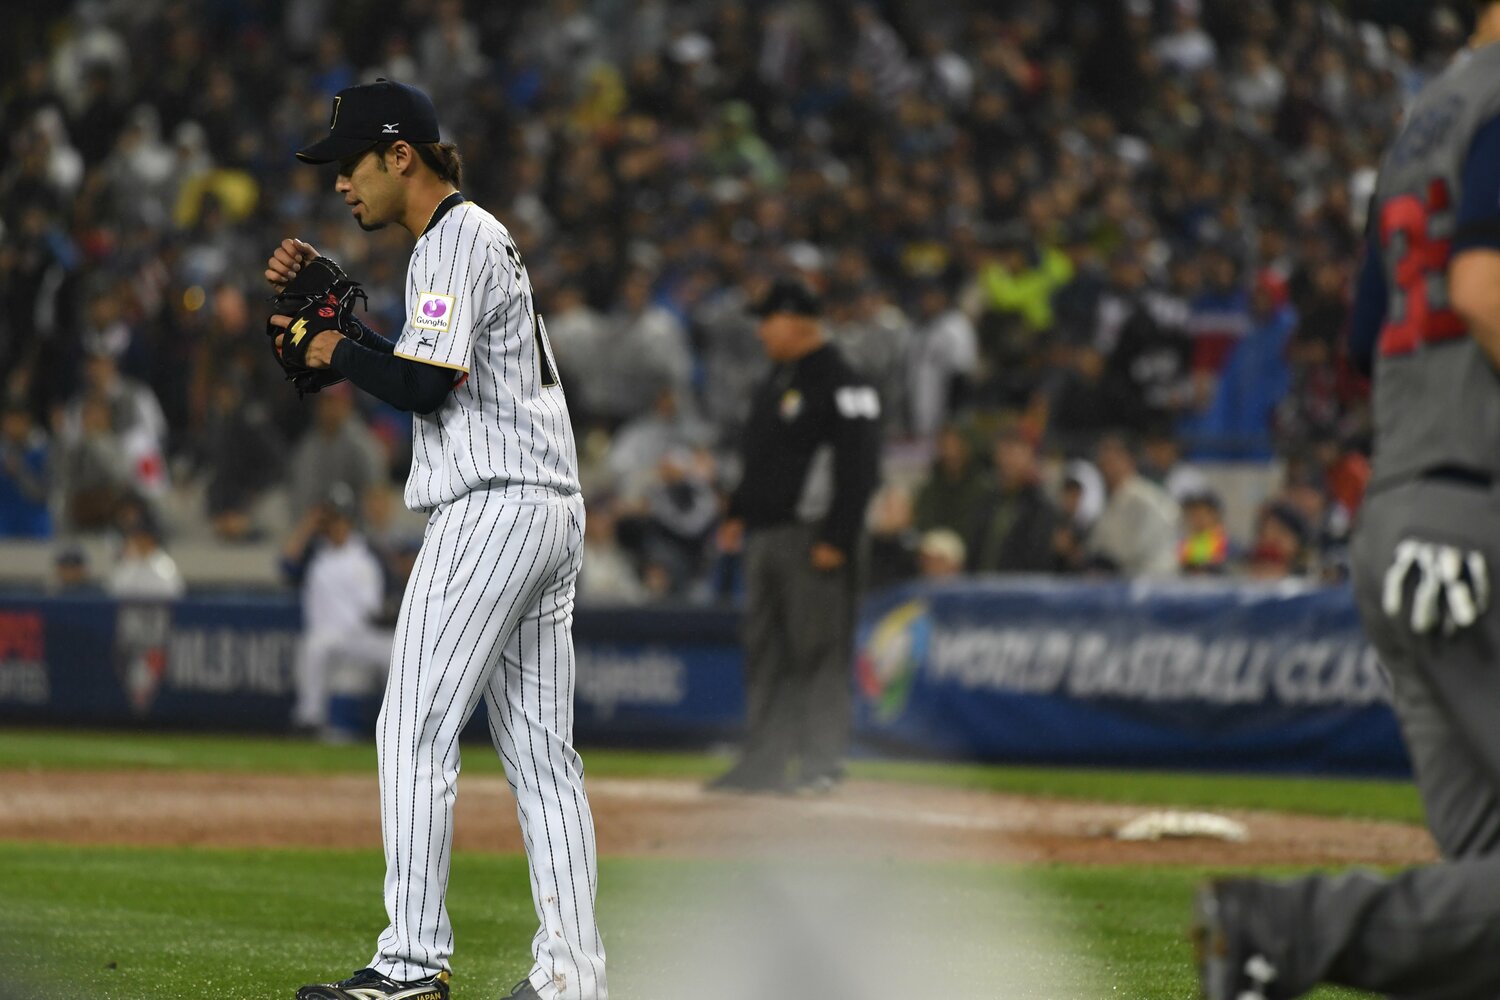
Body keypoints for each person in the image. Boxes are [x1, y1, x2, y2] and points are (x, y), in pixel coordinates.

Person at [266, 79, 604, 1000]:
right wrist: (358, 337)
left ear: (400, 154)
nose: (339, 184)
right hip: (546, 510)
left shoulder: (452, 236)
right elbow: (425, 367)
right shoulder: (469, 239)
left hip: (494, 511)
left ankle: (410, 965)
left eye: (349, 164)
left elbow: (423, 389)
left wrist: (337, 349)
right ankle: (573, 978)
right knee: (542, 763)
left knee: (410, 730)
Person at [1193, 5, 1500, 997]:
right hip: (1477, 514)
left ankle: (1277, 932)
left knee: (1484, 906)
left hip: (1407, 511)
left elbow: (1368, 337)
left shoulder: (1423, 125)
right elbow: (1484, 285)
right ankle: (1287, 923)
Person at [711, 277, 881, 794]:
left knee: (818, 651)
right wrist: (738, 511)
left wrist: (839, 535)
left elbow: (860, 466)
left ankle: (820, 764)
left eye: (767, 319)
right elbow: (760, 457)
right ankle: (765, 761)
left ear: (795, 320)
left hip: (812, 537)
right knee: (765, 652)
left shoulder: (843, 381)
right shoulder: (776, 379)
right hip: (766, 535)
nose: (761, 330)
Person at [282, 482, 388, 738]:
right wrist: (308, 525)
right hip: (327, 635)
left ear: (350, 520)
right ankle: (309, 718)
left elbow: (380, 605)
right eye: (331, 519)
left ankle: (404, 721)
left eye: (340, 518)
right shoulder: (315, 553)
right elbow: (286, 566)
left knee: (399, 651)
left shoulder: (366, 552)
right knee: (315, 646)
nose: (336, 525)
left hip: (361, 634)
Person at [1085, 434, 1180, 577]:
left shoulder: (1140, 496)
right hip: (1131, 579)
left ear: (1128, 461)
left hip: (1154, 580)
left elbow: (1120, 553)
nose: (1106, 467)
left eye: (1112, 460)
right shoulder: (1115, 496)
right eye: (1103, 461)